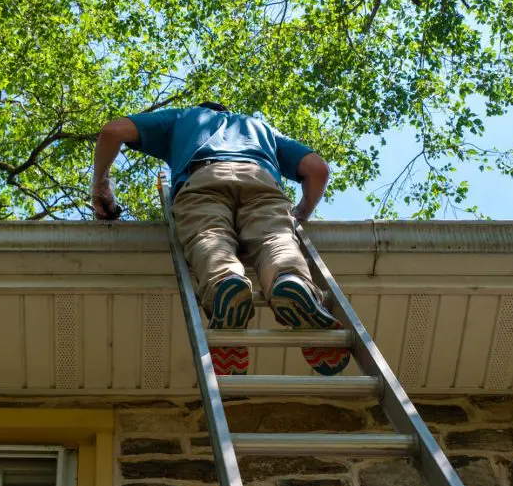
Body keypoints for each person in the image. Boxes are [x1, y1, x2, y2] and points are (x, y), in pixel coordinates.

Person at [90, 101, 350, 376]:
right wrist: (301, 213)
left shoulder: (184, 117)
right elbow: (317, 168)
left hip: (202, 180)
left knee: (210, 237)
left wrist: (101, 184)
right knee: (276, 240)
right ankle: (291, 281)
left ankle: (227, 282)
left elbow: (112, 131)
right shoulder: (260, 127)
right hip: (260, 180)